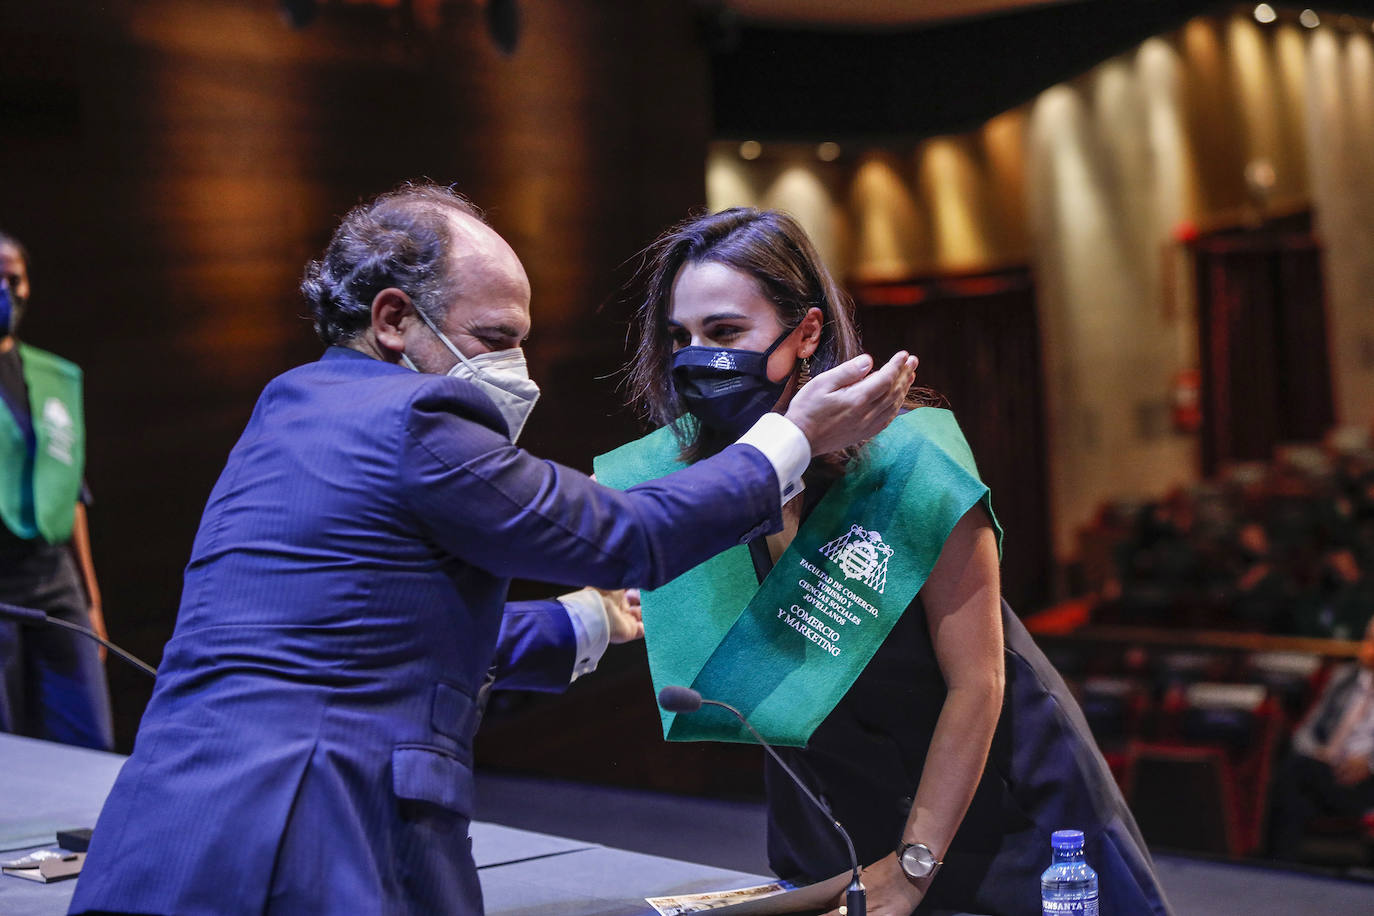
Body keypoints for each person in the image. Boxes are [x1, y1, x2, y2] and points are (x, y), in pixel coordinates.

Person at [68, 184, 916, 916]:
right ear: (395, 319)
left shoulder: (289, 406)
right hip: (314, 833)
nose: (518, 368)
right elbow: (626, 535)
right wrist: (788, 442)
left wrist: (587, 625)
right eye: (493, 337)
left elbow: (366, 642)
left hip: (169, 823)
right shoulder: (417, 418)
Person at [595, 208, 1174, 916]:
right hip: (832, 808)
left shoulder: (911, 464)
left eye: (724, 333)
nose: (697, 359)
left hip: (996, 809)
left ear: (806, 332)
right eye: (679, 338)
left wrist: (913, 867)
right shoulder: (702, 479)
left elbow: (978, 684)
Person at [0, 229, 113, 751]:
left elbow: (68, 491)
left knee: (84, 734)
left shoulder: (50, 378)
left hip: (51, 574)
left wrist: (89, 597)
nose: (5, 289)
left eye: (13, 277)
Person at [1268, 613, 1374, 860]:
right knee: (1295, 774)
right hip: (1327, 769)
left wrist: (1368, 764)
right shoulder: (1344, 678)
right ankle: (1284, 866)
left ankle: (1278, 862)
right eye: (1368, 638)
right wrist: (1318, 754)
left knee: (1295, 778)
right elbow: (1304, 732)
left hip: (1366, 780)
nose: (1369, 646)